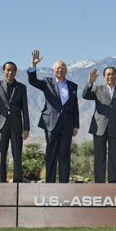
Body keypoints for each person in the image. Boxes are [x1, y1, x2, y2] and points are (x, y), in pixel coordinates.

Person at [27, 50, 79, 183]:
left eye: (62, 68)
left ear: (66, 71)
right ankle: (49, 183)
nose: (60, 70)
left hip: (67, 124)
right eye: (57, 68)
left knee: (64, 155)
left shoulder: (73, 86)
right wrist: (33, 65)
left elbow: (75, 107)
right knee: (51, 154)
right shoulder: (47, 82)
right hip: (51, 123)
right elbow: (32, 81)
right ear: (53, 71)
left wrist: (75, 125)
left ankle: (64, 183)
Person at [82, 67, 116, 183]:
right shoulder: (97, 89)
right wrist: (90, 82)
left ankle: (114, 182)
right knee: (99, 157)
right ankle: (99, 183)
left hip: (115, 127)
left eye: (113, 74)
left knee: (114, 157)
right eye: (108, 75)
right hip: (99, 127)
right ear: (104, 77)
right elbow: (85, 95)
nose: (110, 77)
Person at [0, 62, 30, 183]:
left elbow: (24, 108)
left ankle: (18, 180)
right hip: (0, 124)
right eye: (8, 70)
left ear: (16, 72)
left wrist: (26, 128)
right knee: (0, 155)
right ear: (3, 71)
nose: (10, 72)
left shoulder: (21, 87)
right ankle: (1, 181)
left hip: (16, 125)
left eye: (13, 70)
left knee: (17, 154)